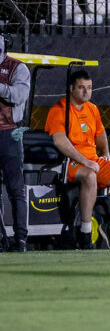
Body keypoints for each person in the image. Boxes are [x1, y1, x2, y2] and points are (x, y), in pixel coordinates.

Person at [45, 70, 110, 249]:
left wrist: (106, 153)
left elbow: (100, 134)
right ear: (71, 89)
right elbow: (59, 141)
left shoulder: (92, 109)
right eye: (81, 88)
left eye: (89, 88)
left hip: (93, 160)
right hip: (70, 162)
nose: (86, 92)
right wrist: (85, 161)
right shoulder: (59, 110)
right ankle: (85, 232)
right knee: (89, 175)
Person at [0, 32, 30, 252]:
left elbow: (18, 96)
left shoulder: (17, 68)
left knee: (16, 189)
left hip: (9, 133)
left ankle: (20, 239)